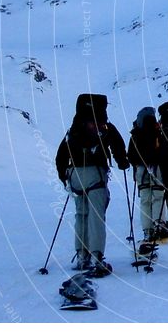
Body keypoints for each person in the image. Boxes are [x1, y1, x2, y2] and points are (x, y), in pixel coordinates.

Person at [55, 94, 128, 276]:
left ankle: (82, 255)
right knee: (96, 215)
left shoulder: (74, 129)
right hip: (96, 175)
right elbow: (118, 146)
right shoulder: (105, 127)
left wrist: (63, 177)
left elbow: (61, 155)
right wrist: (122, 162)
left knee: (81, 215)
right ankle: (96, 257)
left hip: (75, 175)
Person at [127, 107, 168, 255]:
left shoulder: (135, 134)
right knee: (158, 196)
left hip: (141, 170)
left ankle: (148, 230)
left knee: (145, 200)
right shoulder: (157, 132)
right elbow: (165, 151)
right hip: (157, 167)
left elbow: (131, 155)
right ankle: (159, 224)